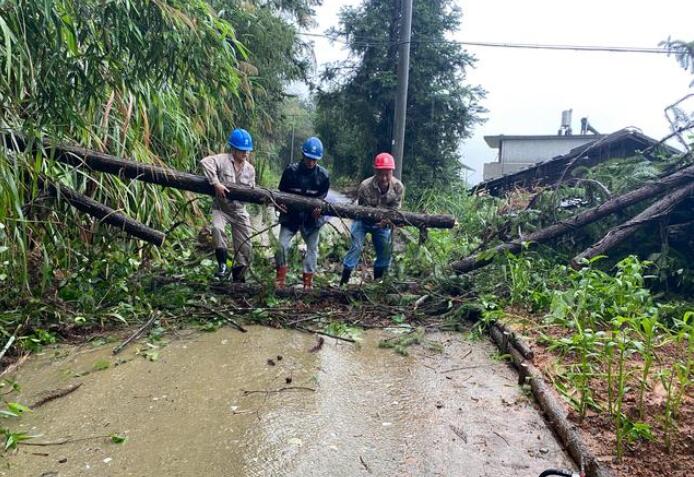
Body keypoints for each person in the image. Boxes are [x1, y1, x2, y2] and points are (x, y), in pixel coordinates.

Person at [340, 152, 404, 285]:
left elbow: (395, 210)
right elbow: (362, 209)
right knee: (356, 247)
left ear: (392, 172)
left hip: (383, 224)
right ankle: (343, 282)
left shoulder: (398, 188)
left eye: (388, 173)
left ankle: (377, 283)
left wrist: (386, 222)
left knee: (385, 252)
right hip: (362, 221)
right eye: (381, 173)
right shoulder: (365, 186)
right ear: (376, 172)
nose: (385, 178)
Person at [200, 128, 256, 282]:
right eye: (241, 150)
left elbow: (252, 191)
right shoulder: (222, 159)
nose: (245, 153)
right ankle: (222, 266)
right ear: (233, 149)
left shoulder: (250, 170)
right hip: (221, 207)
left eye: (247, 150)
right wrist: (216, 183)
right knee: (217, 229)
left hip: (239, 210)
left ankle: (238, 277)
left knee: (245, 246)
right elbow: (205, 162)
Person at [275, 137, 330, 290]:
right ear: (303, 155)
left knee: (312, 249)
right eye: (308, 158)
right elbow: (281, 194)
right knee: (281, 245)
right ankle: (280, 279)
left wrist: (319, 209)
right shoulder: (290, 171)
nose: (311, 162)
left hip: (311, 219)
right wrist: (281, 205)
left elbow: (323, 199)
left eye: (314, 159)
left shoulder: (323, 176)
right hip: (291, 216)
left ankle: (308, 283)